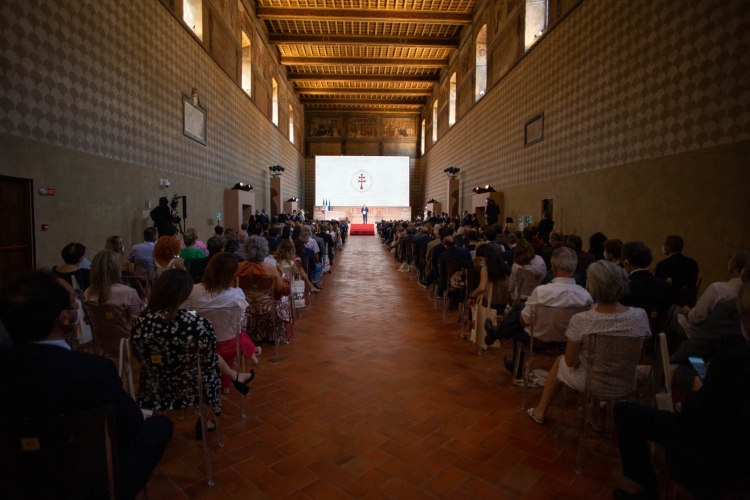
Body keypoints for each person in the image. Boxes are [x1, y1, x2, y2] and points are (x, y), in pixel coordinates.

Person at [0, 271, 173, 500]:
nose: (79, 305)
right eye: (74, 300)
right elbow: (130, 423)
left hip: (14, 478)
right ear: (65, 318)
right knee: (159, 425)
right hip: (91, 481)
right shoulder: (92, 370)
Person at [611, 281, 750, 500]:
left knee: (625, 412)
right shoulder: (733, 358)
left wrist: (698, 390)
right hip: (735, 453)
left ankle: (648, 492)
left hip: (711, 453)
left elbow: (696, 416)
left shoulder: (733, 361)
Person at [130, 269, 255, 437]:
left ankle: (158, 420)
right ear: (184, 294)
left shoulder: (141, 322)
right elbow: (209, 359)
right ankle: (205, 418)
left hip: (154, 385)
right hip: (191, 387)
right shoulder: (197, 324)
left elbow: (138, 354)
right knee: (208, 364)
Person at [526, 260, 651, 428]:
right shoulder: (640, 315)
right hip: (625, 382)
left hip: (590, 382)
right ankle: (592, 409)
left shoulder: (583, 320)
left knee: (560, 361)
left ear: (592, 286)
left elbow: (571, 361)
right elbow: (639, 354)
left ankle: (540, 410)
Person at [500, 247, 594, 378]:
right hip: (568, 343)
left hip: (538, 341)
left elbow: (524, 320)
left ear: (553, 267)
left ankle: (516, 367)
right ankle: (499, 334)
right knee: (520, 310)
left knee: (518, 323)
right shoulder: (586, 297)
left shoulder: (541, 292)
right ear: (574, 267)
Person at [186, 253, 260, 391]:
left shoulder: (192, 291)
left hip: (200, 344)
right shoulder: (236, 294)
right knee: (235, 335)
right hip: (229, 343)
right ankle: (227, 384)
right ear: (232, 274)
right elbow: (239, 323)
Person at [666, 246, 749, 345]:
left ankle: (669, 356)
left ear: (734, 263)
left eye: (730, 257)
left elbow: (695, 318)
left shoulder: (717, 289)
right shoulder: (744, 291)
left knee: (672, 311)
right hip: (734, 339)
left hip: (706, 335)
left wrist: (686, 311)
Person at [236, 236, 292, 343]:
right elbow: (283, 290)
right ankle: (275, 333)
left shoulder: (238, 267)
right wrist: (283, 275)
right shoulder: (269, 268)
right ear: (264, 250)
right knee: (285, 301)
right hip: (268, 307)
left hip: (246, 307)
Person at [619, 241, 673, 332]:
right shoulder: (665, 286)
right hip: (657, 335)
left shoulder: (624, 288)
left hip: (631, 335)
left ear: (626, 263)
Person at [84, 250, 144, 322]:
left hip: (99, 333)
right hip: (127, 332)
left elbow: (88, 320)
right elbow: (138, 320)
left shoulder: (88, 292)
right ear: (117, 269)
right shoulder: (128, 292)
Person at [654, 235, 700, 307]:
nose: (663, 247)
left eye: (664, 244)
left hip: (668, 306)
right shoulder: (692, 263)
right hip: (688, 304)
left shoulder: (662, 265)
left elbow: (658, 288)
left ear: (668, 247)